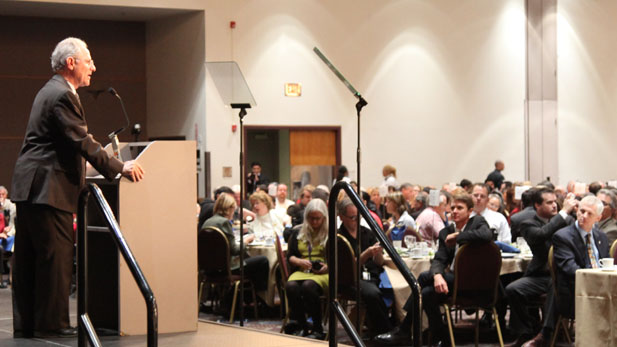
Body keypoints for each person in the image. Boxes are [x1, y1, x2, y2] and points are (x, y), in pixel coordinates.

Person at [10, 37, 144, 338]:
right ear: (71, 63)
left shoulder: (48, 90)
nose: (93, 67)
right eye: (88, 61)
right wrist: (119, 166)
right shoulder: (62, 95)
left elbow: (61, 144)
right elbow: (82, 140)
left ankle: (28, 325)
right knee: (55, 260)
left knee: (30, 261)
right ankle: (53, 325)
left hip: (32, 186)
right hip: (48, 188)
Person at [375, 190, 493, 346]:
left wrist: (459, 237)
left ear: (470, 211)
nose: (455, 211)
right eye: (453, 208)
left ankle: (404, 329)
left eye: (460, 208)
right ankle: (441, 337)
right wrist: (437, 275)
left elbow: (486, 235)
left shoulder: (477, 222)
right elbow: (439, 259)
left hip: (475, 283)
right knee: (427, 293)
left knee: (424, 277)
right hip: (453, 282)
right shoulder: (446, 231)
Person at [504, 188, 577, 347]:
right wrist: (563, 213)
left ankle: (546, 333)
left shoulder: (568, 221)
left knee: (554, 284)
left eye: (554, 202)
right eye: (549, 203)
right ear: (537, 205)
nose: (554, 206)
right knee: (512, 289)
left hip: (560, 275)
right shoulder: (528, 224)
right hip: (539, 274)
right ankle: (526, 331)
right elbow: (541, 235)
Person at [336, 198, 391, 336]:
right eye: (352, 217)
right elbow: (347, 268)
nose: (356, 220)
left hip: (372, 274)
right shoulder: (339, 238)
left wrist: (378, 253)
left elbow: (379, 262)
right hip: (350, 279)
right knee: (373, 293)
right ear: (341, 217)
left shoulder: (366, 232)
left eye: (358, 216)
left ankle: (394, 326)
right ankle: (384, 330)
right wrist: (365, 255)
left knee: (393, 287)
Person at [552, 195, 609, 319]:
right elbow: (570, 269)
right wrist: (596, 279)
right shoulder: (563, 236)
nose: (584, 216)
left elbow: (607, 264)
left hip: (604, 287)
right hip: (578, 290)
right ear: (577, 211)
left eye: (590, 214)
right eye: (582, 211)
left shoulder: (602, 237)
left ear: (598, 218)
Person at [201, 193, 269, 295]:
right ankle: (259, 299)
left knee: (249, 259)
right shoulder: (224, 222)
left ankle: (236, 298)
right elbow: (235, 250)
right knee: (263, 261)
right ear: (229, 208)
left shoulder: (208, 222)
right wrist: (247, 240)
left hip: (210, 269)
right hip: (227, 269)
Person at [285, 199, 329, 340]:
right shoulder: (298, 231)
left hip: (324, 272)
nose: (315, 222)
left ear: (324, 218)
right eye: (311, 218)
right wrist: (298, 261)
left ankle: (317, 328)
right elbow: (290, 256)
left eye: (318, 219)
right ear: (306, 217)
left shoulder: (332, 232)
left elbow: (338, 258)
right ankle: (302, 326)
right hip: (303, 270)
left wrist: (327, 267)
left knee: (308, 286)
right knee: (291, 286)